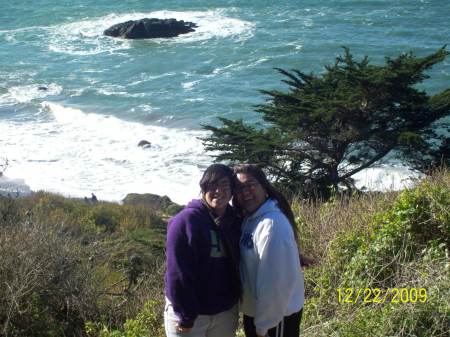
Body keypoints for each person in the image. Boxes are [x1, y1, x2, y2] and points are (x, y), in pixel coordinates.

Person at [164, 164, 242, 337]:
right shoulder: (185, 221)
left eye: (224, 185)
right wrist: (186, 316)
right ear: (203, 187)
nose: (218, 191)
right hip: (191, 317)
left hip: (225, 314)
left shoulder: (235, 220)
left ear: (232, 189)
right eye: (212, 185)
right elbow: (177, 273)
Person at [233, 164, 305, 337]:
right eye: (239, 188)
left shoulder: (271, 225)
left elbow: (274, 284)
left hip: (276, 319)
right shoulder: (251, 219)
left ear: (264, 187)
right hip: (257, 313)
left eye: (251, 185)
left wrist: (263, 325)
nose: (245, 192)